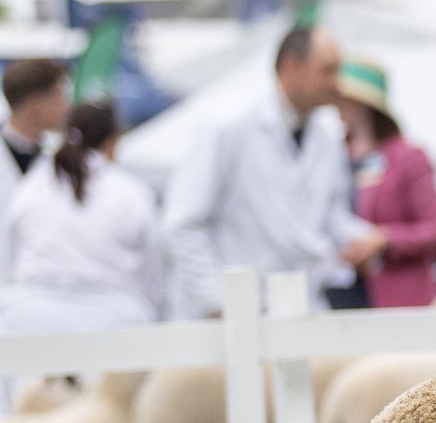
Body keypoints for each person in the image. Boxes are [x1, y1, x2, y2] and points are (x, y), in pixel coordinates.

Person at [162, 26, 376, 318]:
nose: (336, 82)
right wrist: (219, 303)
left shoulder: (327, 134)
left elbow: (329, 217)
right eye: (327, 70)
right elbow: (182, 223)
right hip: (227, 321)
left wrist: (362, 239)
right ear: (290, 66)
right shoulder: (227, 125)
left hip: (301, 309)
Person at [0, 100, 164, 339]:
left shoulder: (31, 188)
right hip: (114, 322)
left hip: (28, 319)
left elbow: (10, 259)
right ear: (112, 142)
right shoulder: (130, 192)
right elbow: (154, 273)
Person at [335, 57, 436, 308]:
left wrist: (385, 239)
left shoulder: (407, 157)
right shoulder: (332, 156)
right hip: (346, 295)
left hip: (400, 299)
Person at [1, 60, 72, 312]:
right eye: (60, 97)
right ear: (36, 103)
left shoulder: (64, 160)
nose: (66, 107)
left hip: (44, 303)